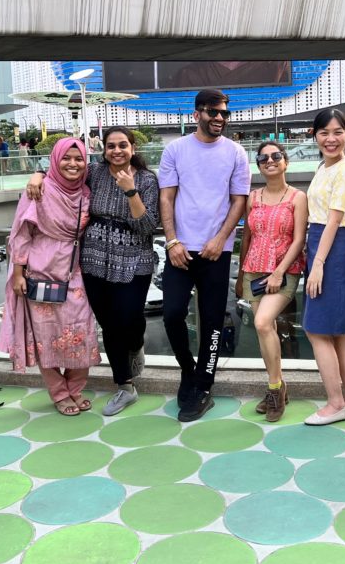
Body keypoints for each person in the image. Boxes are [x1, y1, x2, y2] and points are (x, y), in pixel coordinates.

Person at [25, 127, 161, 415]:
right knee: (110, 325)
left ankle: (136, 345)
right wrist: (37, 175)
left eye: (122, 145)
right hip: (94, 259)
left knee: (131, 319)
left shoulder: (147, 180)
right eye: (111, 146)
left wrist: (130, 190)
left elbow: (147, 226)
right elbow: (63, 174)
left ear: (133, 149)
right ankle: (125, 386)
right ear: (104, 150)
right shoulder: (95, 173)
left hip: (134, 259)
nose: (116, 151)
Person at [159, 89, 250, 421]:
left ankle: (204, 386)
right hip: (180, 250)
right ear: (197, 113)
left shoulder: (236, 153)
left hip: (217, 251)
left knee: (213, 323)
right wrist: (172, 241)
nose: (220, 118)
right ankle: (189, 371)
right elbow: (166, 198)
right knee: (171, 314)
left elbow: (238, 201)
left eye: (225, 113)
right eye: (213, 112)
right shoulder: (175, 150)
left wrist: (221, 239)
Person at [0, 138, 98, 416]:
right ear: (55, 160)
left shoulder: (86, 193)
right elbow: (21, 233)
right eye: (66, 158)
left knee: (81, 331)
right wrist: (18, 273)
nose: (73, 164)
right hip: (39, 271)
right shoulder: (38, 191)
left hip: (74, 271)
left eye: (79, 159)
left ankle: (75, 388)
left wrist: (38, 172)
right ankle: (60, 393)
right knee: (45, 335)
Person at [235, 140, 307, 422]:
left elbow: (299, 238)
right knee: (267, 330)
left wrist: (279, 271)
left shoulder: (297, 197)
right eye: (263, 158)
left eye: (275, 156)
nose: (269, 161)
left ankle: (276, 389)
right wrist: (241, 275)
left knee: (263, 322)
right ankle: (276, 386)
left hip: (284, 271)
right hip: (254, 269)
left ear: (285, 161)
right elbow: (247, 238)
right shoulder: (253, 197)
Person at [302, 108, 345, 426]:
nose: (331, 138)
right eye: (324, 132)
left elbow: (335, 219)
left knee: (316, 329)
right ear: (315, 135)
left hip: (332, 247)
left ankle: (335, 402)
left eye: (338, 132)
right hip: (324, 245)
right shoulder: (323, 168)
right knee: (337, 332)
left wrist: (318, 264)